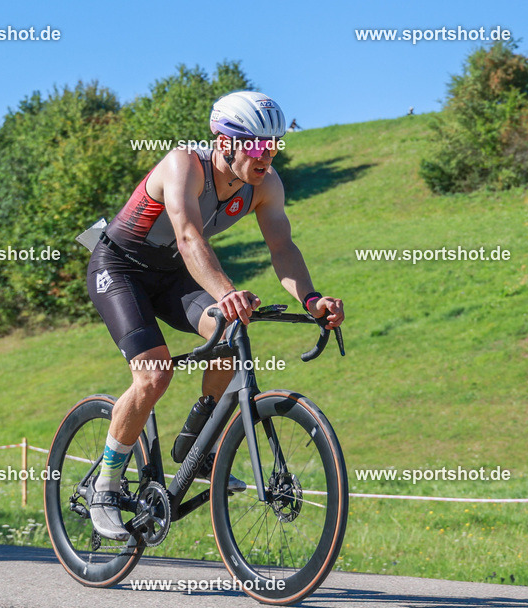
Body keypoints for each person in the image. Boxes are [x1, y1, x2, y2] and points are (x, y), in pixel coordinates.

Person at [85, 91, 344, 540]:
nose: (267, 156)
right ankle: (105, 486)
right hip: (120, 268)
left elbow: (282, 248)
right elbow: (187, 237)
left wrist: (312, 300)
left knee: (230, 333)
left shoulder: (266, 185)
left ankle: (195, 444)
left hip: (171, 275)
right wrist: (225, 290)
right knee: (153, 375)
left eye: (274, 146)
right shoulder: (183, 165)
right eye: (258, 146)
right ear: (225, 143)